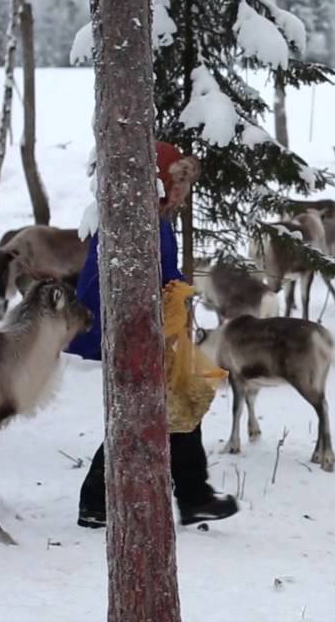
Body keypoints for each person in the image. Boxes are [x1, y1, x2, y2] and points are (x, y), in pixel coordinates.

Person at [71, 141, 239, 528]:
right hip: (132, 332)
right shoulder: (130, 221)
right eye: (175, 181)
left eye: (185, 184)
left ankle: (191, 496)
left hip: (156, 331)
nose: (180, 192)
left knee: (173, 409)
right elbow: (108, 283)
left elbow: (165, 273)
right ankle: (98, 500)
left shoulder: (160, 220)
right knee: (148, 412)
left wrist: (178, 291)